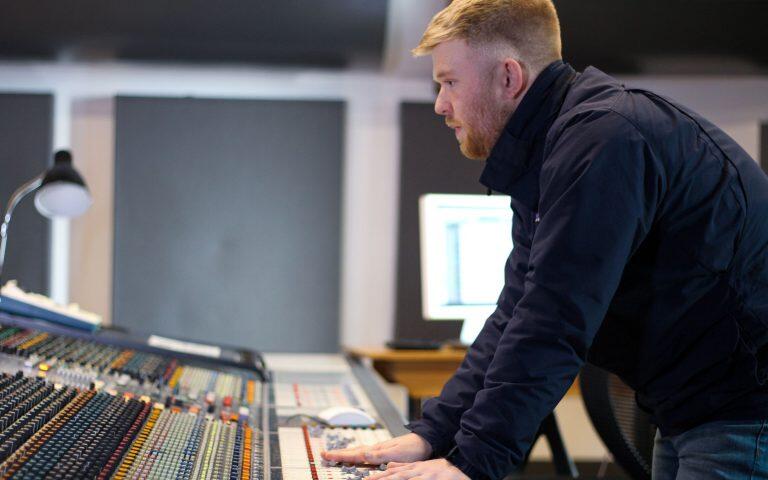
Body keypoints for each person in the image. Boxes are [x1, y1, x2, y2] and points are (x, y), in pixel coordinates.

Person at [323, 0, 768, 478]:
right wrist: (433, 434)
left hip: (742, 410)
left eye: (449, 82)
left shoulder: (605, 139)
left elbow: (553, 319)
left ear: (509, 77)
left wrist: (470, 464)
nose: (440, 104)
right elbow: (518, 308)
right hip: (696, 409)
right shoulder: (553, 150)